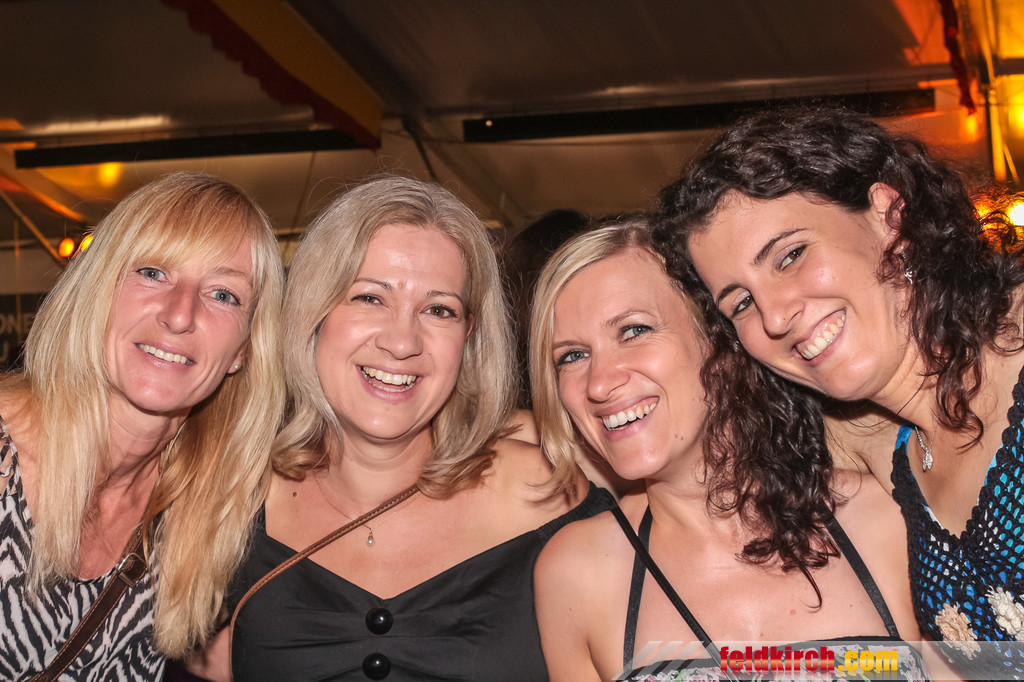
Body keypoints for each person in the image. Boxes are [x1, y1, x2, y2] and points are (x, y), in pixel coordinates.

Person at [658, 104, 1024, 672]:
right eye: (742, 302)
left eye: (790, 255)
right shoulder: (868, 441)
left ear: (888, 216)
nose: (775, 316)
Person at [228, 175, 614, 681]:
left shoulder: (545, 494)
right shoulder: (233, 505)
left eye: (438, 310)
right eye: (370, 298)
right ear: (312, 311)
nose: (403, 341)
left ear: (469, 337)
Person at [530, 218, 926, 681]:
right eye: (572, 356)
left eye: (633, 331)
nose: (598, 384)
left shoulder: (882, 515)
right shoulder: (578, 575)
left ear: (718, 343)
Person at [0, 172, 284, 680]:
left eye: (223, 294)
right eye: (153, 272)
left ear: (243, 348)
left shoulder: (199, 515)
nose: (180, 315)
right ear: (97, 290)